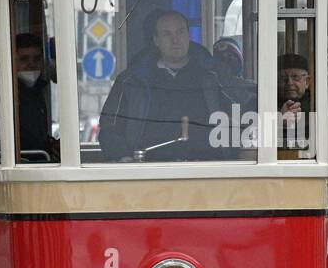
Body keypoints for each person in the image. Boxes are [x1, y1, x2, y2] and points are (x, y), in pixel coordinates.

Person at [99, 10, 251, 162]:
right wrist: (123, 156)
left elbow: (245, 109)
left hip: (208, 169)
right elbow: (110, 127)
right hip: (149, 172)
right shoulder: (131, 81)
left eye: (180, 32)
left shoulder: (215, 75)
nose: (175, 40)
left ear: (189, 35)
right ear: (156, 40)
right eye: (167, 34)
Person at [12, 32, 59, 162]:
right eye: (24, 59)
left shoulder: (37, 90)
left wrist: (50, 143)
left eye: (36, 59)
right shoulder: (1, 93)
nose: (31, 64)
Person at [278, 53, 311, 149]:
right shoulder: (265, 103)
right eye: (283, 78)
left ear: (307, 82)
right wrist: (279, 121)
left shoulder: (317, 104)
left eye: (295, 77)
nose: (289, 83)